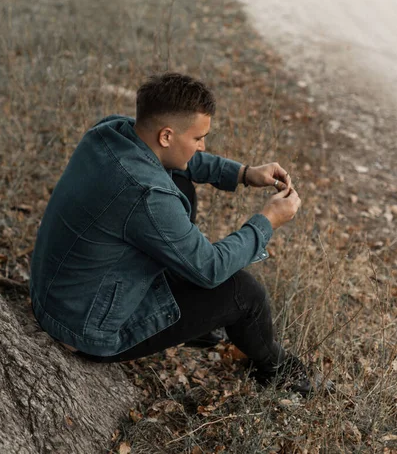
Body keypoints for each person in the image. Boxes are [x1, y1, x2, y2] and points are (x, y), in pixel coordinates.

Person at [30, 72, 317, 395]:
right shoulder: (146, 194)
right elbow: (210, 268)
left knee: (179, 183)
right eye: (198, 138)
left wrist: (244, 174)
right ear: (166, 135)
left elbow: (184, 163)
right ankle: (284, 374)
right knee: (242, 293)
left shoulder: (112, 130)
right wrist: (267, 221)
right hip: (85, 328)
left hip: (57, 295)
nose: (202, 145)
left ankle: (193, 322)